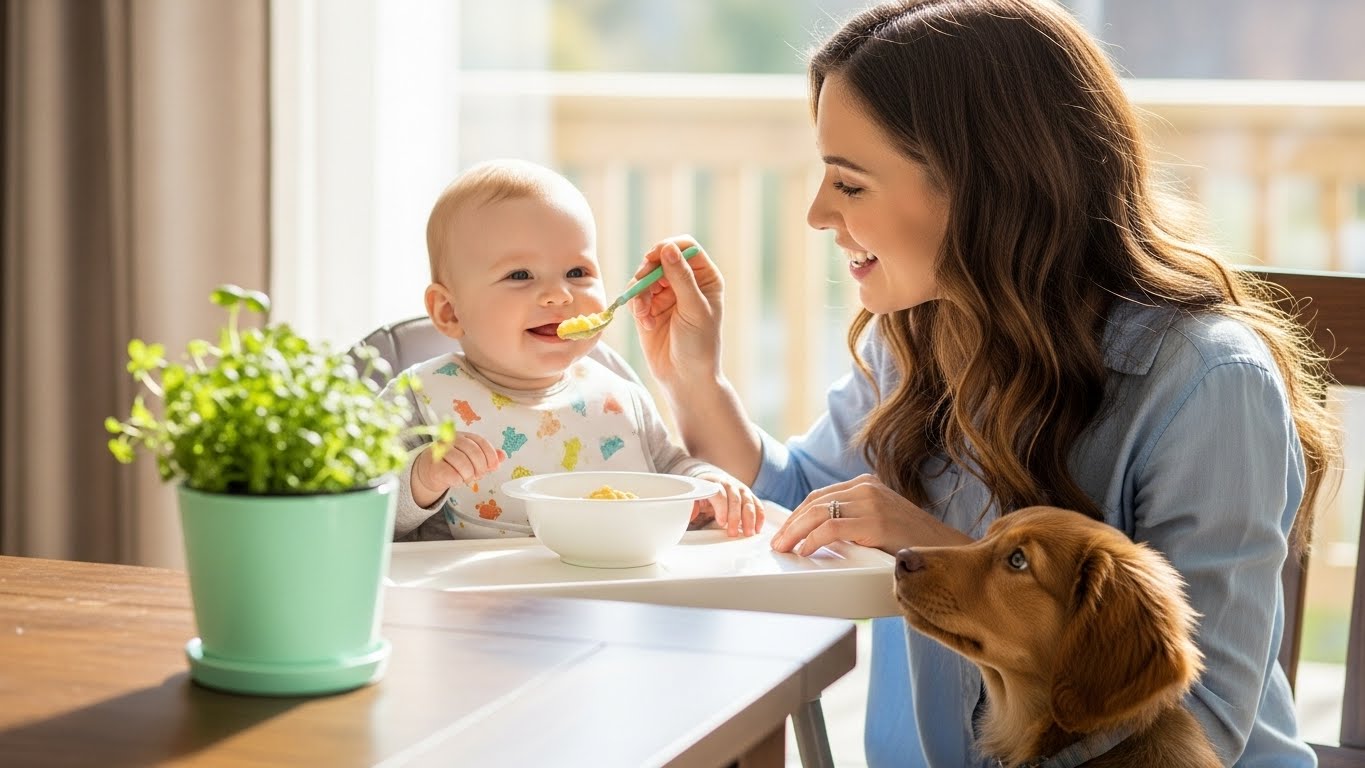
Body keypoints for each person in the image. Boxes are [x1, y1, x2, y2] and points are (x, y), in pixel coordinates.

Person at [628, 1, 1340, 766]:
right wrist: (693, 379)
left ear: (980, 186)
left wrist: (935, 552)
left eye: (850, 183)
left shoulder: (1207, 383)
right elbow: (805, 500)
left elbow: (1201, 725)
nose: (814, 213)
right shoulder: (928, 336)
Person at [386, 158, 762, 542]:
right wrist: (422, 477)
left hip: (603, 592)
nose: (558, 294)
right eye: (520, 275)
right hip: (472, 596)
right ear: (449, 311)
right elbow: (364, 512)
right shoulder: (418, 400)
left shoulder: (616, 398)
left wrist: (704, 484)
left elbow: (666, 468)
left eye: (577, 273)